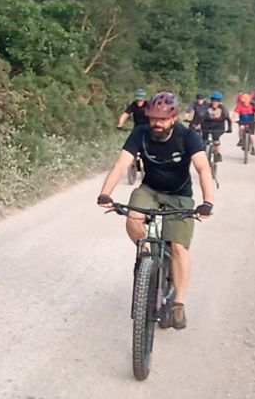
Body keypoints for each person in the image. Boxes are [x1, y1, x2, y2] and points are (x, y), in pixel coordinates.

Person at [97, 92, 215, 330]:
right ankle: (148, 255)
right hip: (149, 189)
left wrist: (207, 202)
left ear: (173, 118)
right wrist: (105, 193)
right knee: (133, 216)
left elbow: (203, 169)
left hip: (180, 195)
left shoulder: (187, 136)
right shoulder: (141, 133)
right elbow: (121, 164)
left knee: (179, 248)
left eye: (162, 119)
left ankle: (178, 304)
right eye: (152, 119)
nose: (156, 124)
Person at [200, 91, 232, 162]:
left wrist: (230, 128)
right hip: (207, 126)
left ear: (219, 102)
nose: (214, 103)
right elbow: (200, 116)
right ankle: (203, 154)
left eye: (216, 101)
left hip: (219, 127)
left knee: (216, 139)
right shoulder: (206, 107)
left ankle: (218, 154)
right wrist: (196, 124)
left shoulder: (222, 108)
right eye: (213, 101)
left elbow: (228, 119)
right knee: (203, 140)